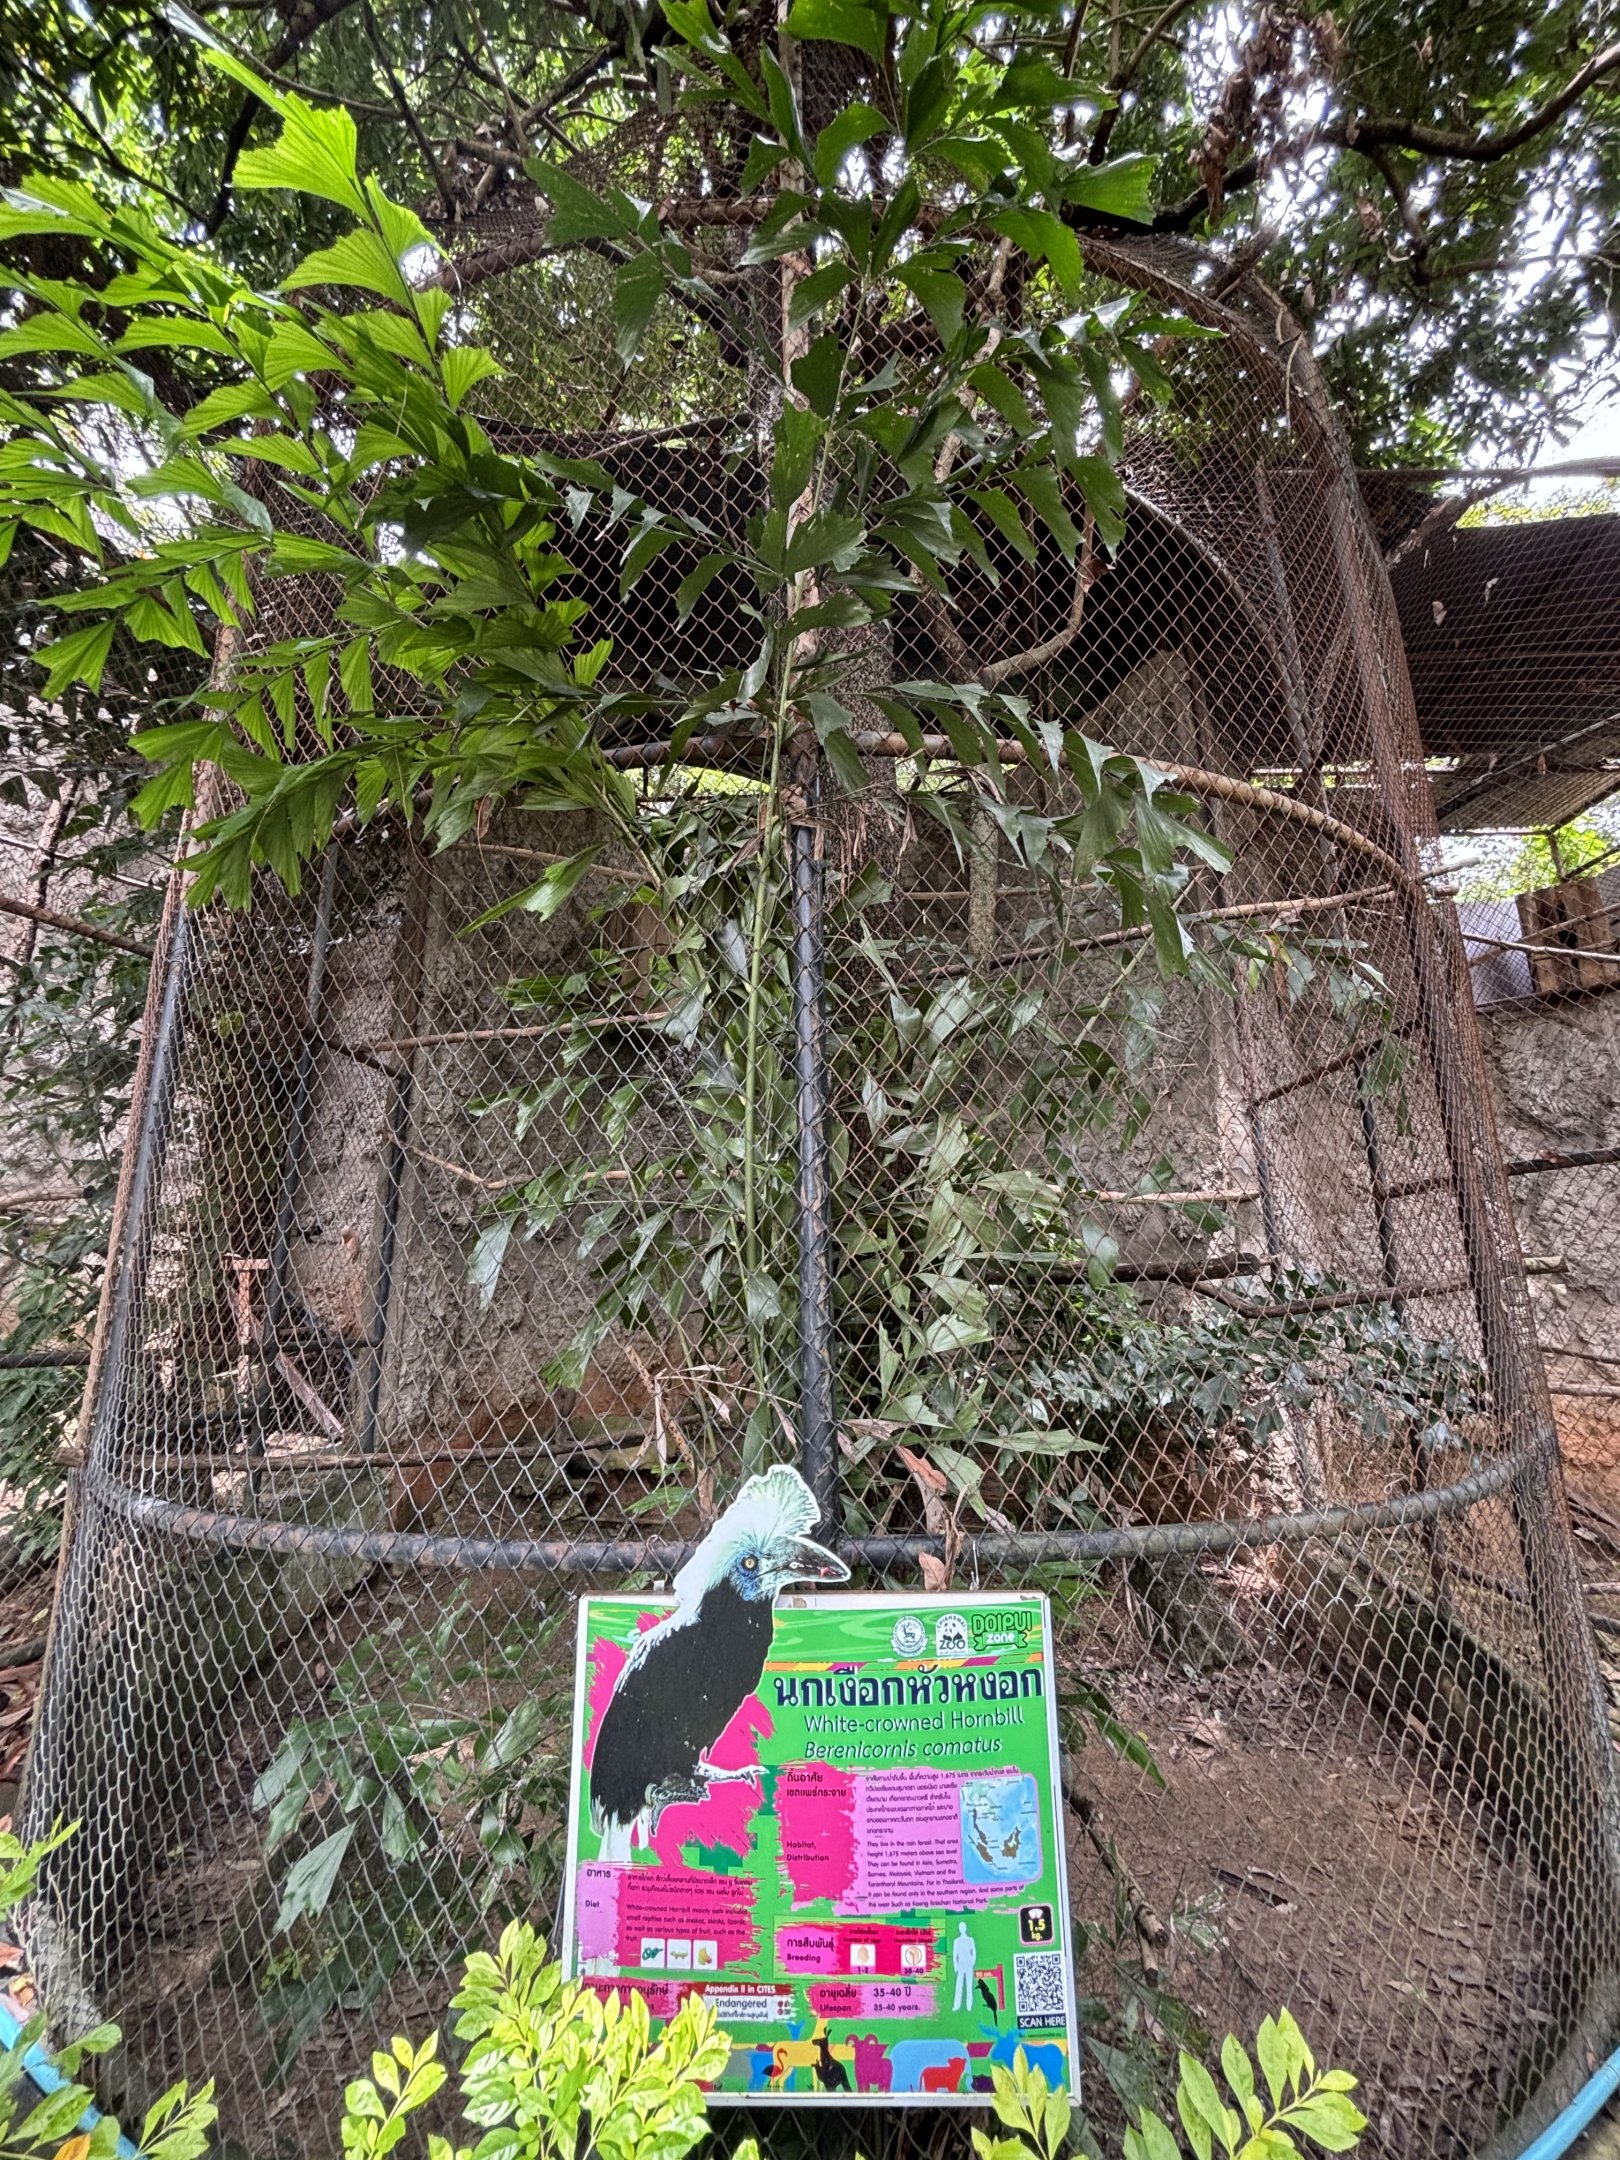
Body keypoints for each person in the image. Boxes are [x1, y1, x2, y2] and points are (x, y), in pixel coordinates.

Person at [951, 1921, 977, 2012]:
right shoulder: (956, 1941)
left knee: (969, 1986)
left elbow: (974, 1952)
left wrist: (972, 1962)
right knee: (959, 1986)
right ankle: (957, 2005)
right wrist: (955, 1966)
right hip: (961, 1965)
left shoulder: (970, 1940)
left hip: (968, 1965)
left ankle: (969, 2006)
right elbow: (954, 1954)